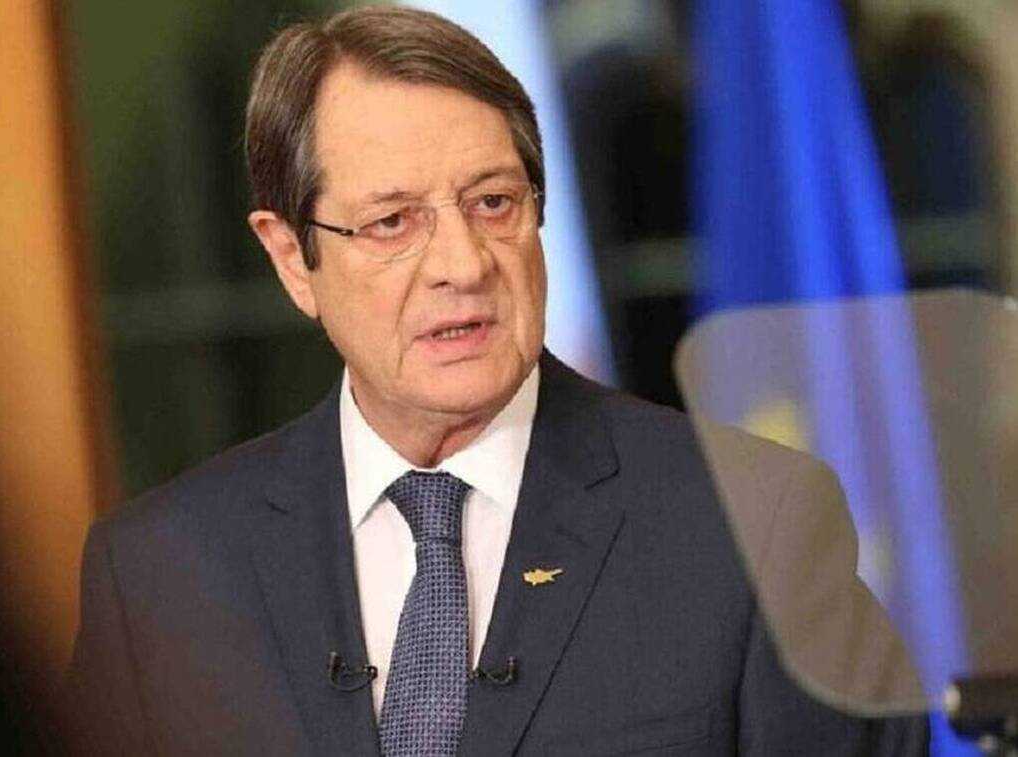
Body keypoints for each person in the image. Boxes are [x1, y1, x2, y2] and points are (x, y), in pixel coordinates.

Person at [66, 6, 928, 754]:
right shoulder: (159, 577)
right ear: (293, 257)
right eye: (393, 222)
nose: (463, 263)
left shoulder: (753, 524)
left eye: (493, 203)